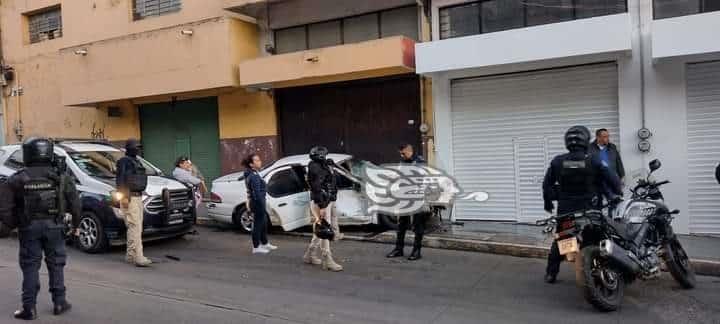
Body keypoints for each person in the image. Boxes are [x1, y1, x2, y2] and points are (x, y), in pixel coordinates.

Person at [0, 138, 81, 320]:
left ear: (28, 153)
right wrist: (75, 226)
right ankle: (59, 302)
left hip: (29, 227)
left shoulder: (18, 178)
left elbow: (4, 207)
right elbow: (76, 204)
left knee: (30, 266)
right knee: (56, 264)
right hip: (55, 226)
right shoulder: (61, 176)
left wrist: (14, 223)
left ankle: (29, 308)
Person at [542, 126, 622, 284]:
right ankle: (608, 273)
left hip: (566, 211)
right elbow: (613, 180)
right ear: (586, 141)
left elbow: (547, 185)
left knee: (564, 241)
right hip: (590, 210)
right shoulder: (593, 159)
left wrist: (548, 203)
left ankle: (551, 274)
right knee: (602, 239)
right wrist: (616, 193)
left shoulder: (558, 161)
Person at [386, 144, 430, 261]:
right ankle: (398, 249)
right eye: (400, 153)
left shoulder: (420, 162)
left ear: (409, 150)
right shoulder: (403, 162)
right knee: (401, 225)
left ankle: (416, 251)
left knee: (417, 226)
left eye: (403, 153)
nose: (401, 155)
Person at [303, 146, 343, 271]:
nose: (325, 157)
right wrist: (322, 206)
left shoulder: (322, 165)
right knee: (325, 231)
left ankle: (309, 255)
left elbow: (331, 183)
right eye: (324, 156)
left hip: (326, 201)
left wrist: (331, 167)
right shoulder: (315, 168)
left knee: (321, 229)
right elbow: (316, 187)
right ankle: (328, 260)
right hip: (320, 202)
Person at [116, 139, 152, 267]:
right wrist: (124, 198)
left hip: (137, 197)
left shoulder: (135, 161)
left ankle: (131, 255)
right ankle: (138, 257)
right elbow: (121, 180)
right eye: (135, 147)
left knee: (136, 227)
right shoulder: (124, 161)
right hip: (130, 197)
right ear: (129, 148)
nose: (138, 149)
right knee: (135, 227)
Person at [243, 154, 277, 254]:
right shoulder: (253, 176)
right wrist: (261, 204)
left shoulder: (254, 173)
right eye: (257, 160)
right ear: (251, 164)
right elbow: (256, 193)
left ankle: (265, 243)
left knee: (263, 223)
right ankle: (256, 247)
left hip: (259, 202)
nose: (260, 162)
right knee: (258, 224)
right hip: (258, 203)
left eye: (259, 160)